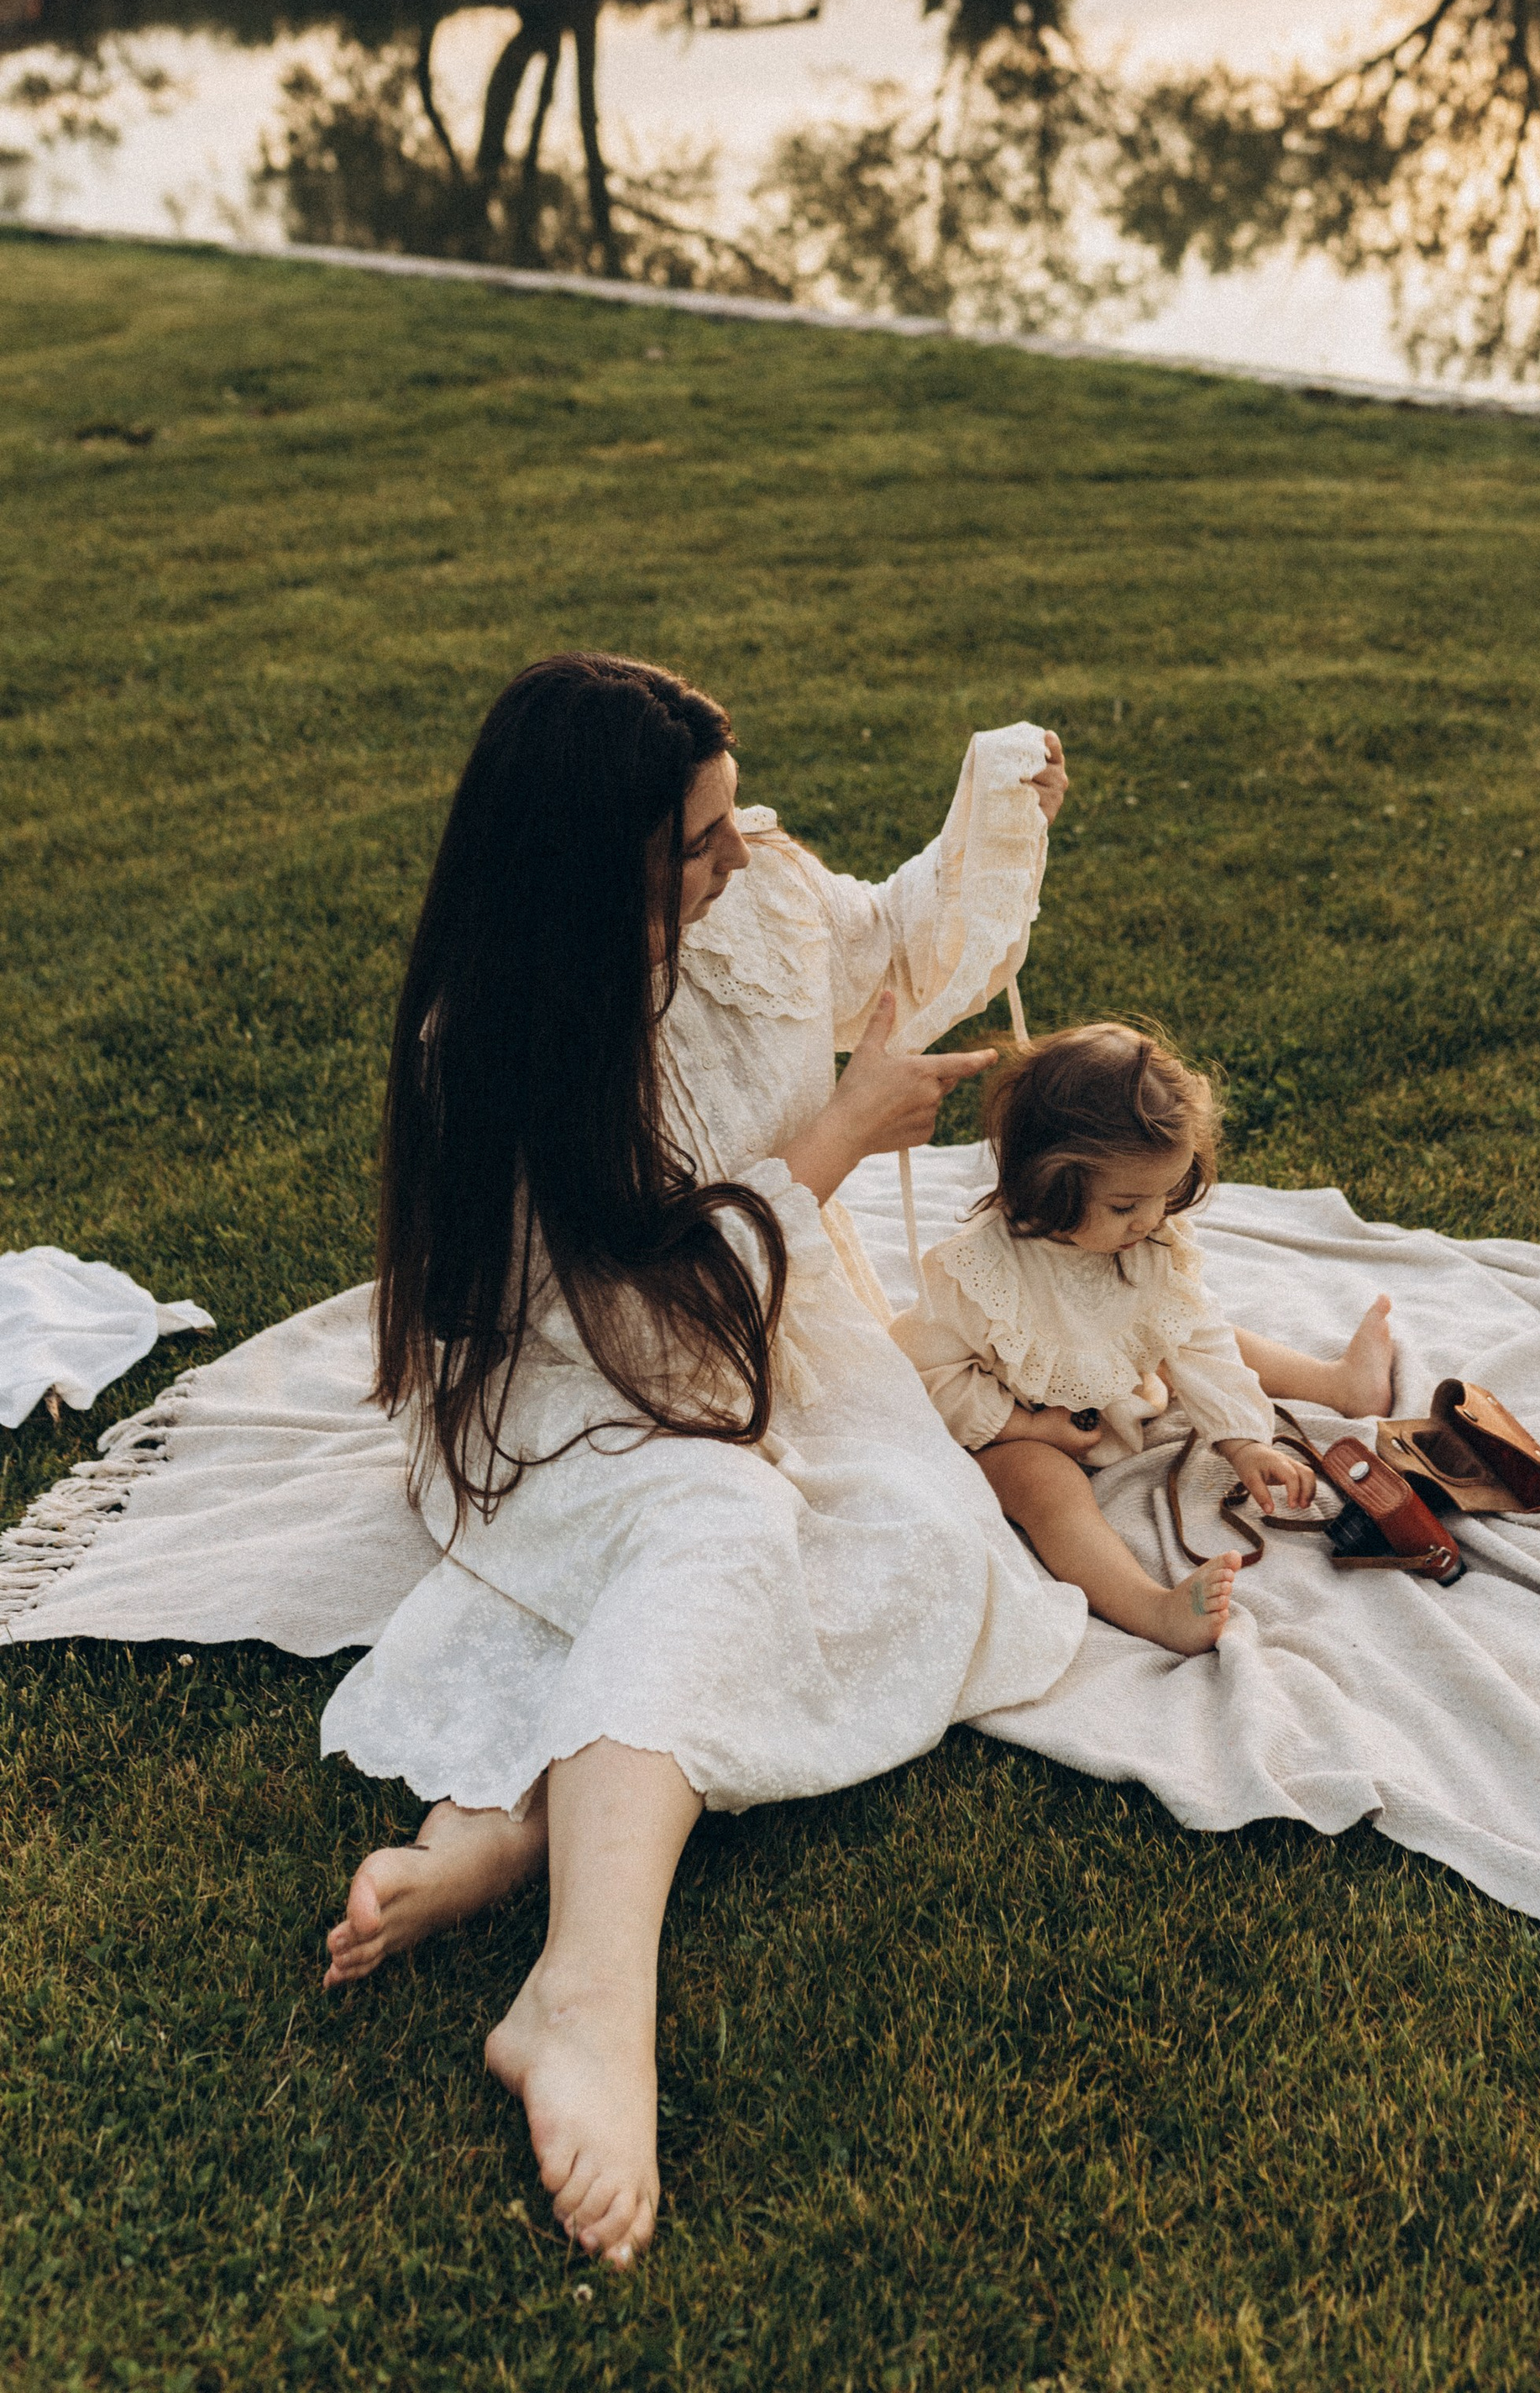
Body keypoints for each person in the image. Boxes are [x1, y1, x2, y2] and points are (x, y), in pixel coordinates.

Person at [317, 653, 1086, 2270]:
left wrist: (992, 803)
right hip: (566, 1384)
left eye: (735, 824)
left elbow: (879, 941)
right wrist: (837, 1137)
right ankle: (589, 1994)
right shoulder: (497, 1046)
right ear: (589, 865)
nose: (743, 860)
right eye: (701, 842)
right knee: (721, 1519)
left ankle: (526, 1820)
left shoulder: (753, 895)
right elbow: (628, 1334)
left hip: (764, 1329)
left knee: (931, 1549)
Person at [893, 1024, 1396, 1654]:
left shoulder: (1149, 1242)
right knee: (1047, 1492)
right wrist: (1027, 1425)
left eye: (1165, 1196)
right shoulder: (978, 1276)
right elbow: (925, 1378)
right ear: (1050, 1185)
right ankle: (1150, 1607)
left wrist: (1243, 1442)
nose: (1153, 1219)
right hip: (1020, 1426)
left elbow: (1203, 1346)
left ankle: (1338, 1385)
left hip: (1123, 1391)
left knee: (1196, 1326)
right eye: (1127, 1205)